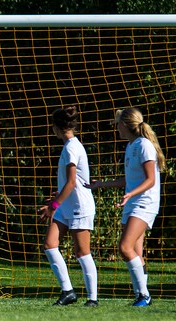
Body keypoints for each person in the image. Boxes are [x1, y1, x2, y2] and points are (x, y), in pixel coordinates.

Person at [86, 108, 164, 307]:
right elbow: (128, 180)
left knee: (125, 247)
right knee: (136, 251)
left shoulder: (144, 145)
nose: (116, 128)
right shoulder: (131, 146)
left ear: (126, 125)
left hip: (144, 203)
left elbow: (150, 180)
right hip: (133, 201)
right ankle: (141, 295)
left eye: (118, 124)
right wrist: (101, 184)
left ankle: (144, 295)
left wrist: (131, 194)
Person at [37, 106, 98, 307]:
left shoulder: (72, 147)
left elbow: (72, 182)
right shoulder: (69, 146)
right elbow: (70, 182)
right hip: (66, 206)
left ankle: (93, 299)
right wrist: (58, 199)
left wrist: (54, 205)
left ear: (57, 127)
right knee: (50, 244)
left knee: (82, 252)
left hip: (79, 205)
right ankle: (68, 291)